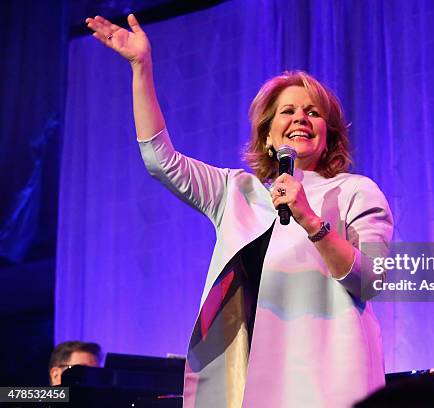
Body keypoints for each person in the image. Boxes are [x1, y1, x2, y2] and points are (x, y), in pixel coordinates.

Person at [85, 14, 393, 408]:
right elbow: (161, 160)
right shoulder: (235, 192)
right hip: (252, 381)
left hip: (330, 378)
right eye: (288, 111)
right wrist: (141, 68)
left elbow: (372, 281)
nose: (301, 117)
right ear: (267, 135)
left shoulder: (356, 192)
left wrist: (311, 221)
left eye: (314, 113)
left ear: (329, 134)